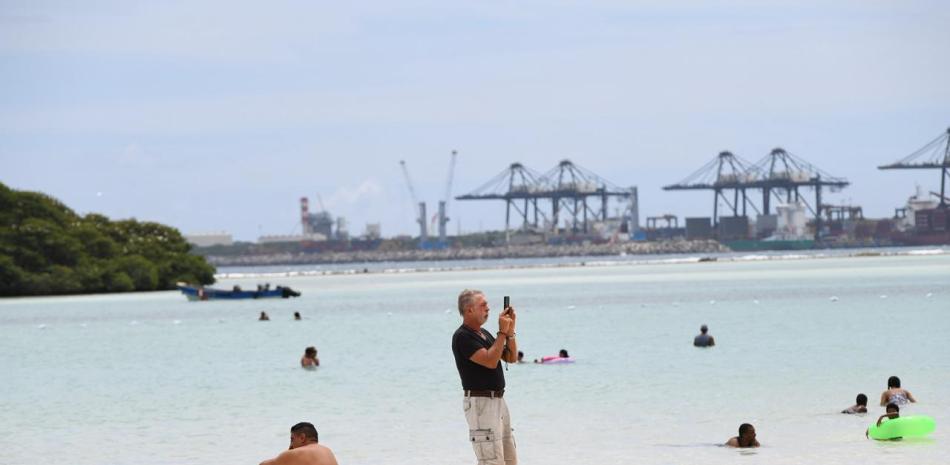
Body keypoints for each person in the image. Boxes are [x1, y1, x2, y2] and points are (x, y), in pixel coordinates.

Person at [452, 289, 519, 465]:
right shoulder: (462, 337)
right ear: (469, 310)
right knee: (491, 461)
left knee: (510, 459)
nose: (488, 309)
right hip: (481, 403)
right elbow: (490, 360)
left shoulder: (485, 334)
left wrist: (510, 332)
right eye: (483, 306)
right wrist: (502, 333)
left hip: (498, 401)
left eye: (487, 305)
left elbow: (511, 358)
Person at [259, 422, 338, 465]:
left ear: (302, 438)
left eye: (292, 439)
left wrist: (289, 452)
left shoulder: (298, 452)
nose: (291, 444)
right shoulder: (327, 451)